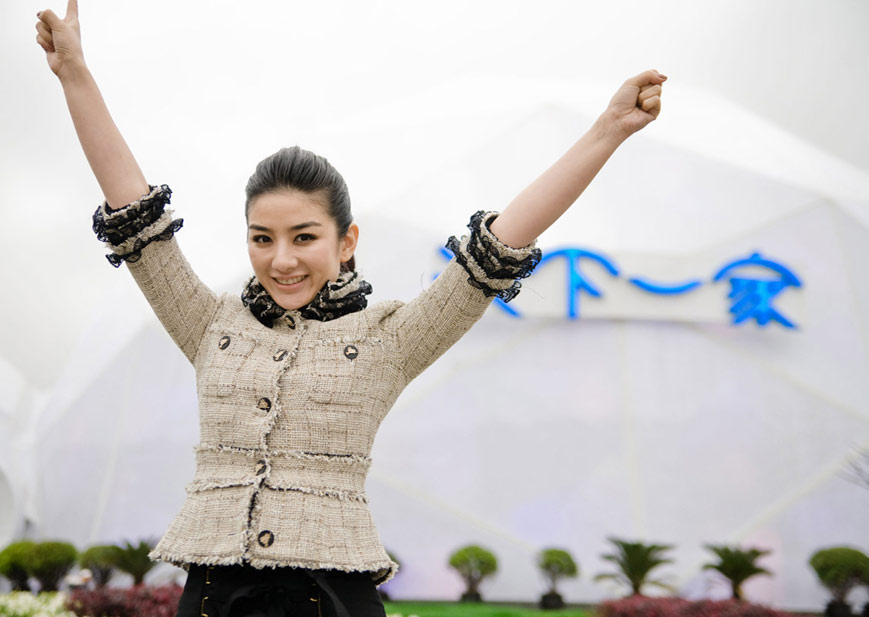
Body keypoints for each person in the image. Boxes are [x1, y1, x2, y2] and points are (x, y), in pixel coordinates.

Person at [35, 2, 665, 615]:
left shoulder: (389, 338)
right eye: (262, 238)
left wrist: (607, 130)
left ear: (346, 242)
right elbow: (136, 216)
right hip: (212, 597)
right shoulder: (210, 325)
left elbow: (497, 247)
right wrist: (75, 74)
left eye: (304, 237)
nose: (282, 259)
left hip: (332, 597)